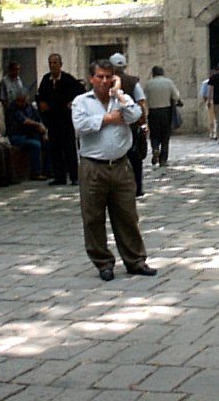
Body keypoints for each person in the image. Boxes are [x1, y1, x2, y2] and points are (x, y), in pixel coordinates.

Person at [72, 59, 157, 281]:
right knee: (93, 217)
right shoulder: (81, 101)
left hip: (120, 165)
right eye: (100, 76)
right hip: (93, 166)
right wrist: (109, 118)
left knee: (127, 215)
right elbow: (81, 126)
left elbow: (135, 115)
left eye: (109, 76)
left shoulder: (119, 99)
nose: (104, 81)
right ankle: (103, 262)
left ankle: (135, 260)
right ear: (92, 78)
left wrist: (119, 94)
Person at [37, 53, 83, 186]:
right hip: (52, 120)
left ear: (60, 64)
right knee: (55, 149)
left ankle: (74, 176)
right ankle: (59, 177)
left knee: (69, 148)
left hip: (65, 119)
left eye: (55, 63)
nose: (52, 65)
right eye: (50, 63)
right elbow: (40, 95)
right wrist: (42, 103)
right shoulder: (46, 80)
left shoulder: (68, 79)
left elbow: (80, 92)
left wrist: (72, 103)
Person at [110, 53, 148, 197]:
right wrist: (143, 123)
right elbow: (141, 103)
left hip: (113, 124)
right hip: (132, 124)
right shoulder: (133, 82)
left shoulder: (107, 83)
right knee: (135, 158)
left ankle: (118, 188)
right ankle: (137, 187)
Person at [144, 65, 181, 167]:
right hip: (166, 111)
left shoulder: (148, 84)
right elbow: (176, 96)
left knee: (154, 133)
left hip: (153, 112)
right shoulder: (168, 82)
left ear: (153, 73)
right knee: (165, 135)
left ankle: (155, 148)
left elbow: (144, 98)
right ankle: (163, 159)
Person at [7, 91, 49, 180]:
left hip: (31, 134)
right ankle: (35, 173)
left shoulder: (30, 107)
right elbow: (24, 121)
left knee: (48, 143)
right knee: (35, 145)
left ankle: (48, 170)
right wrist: (38, 125)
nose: (22, 103)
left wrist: (43, 130)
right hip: (18, 135)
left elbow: (38, 119)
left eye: (24, 101)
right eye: (20, 101)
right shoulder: (12, 108)